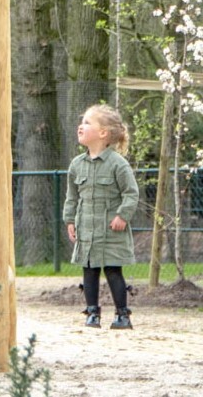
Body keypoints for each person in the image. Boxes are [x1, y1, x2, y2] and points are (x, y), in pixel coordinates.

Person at [63, 104, 139, 329]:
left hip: (110, 232)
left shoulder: (118, 164)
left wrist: (122, 216)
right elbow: (71, 197)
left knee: (113, 271)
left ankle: (122, 315)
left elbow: (131, 193)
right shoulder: (76, 165)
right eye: (81, 121)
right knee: (89, 270)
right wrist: (69, 220)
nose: (81, 126)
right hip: (87, 232)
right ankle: (92, 313)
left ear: (103, 133)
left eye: (87, 123)